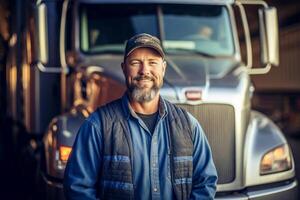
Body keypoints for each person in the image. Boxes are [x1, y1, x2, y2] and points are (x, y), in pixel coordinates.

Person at [63, 33, 218, 200]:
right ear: (124, 68)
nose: (145, 71)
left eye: (153, 63)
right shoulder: (98, 126)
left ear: (163, 68)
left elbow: (206, 182)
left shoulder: (189, 125)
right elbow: (78, 188)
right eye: (136, 63)